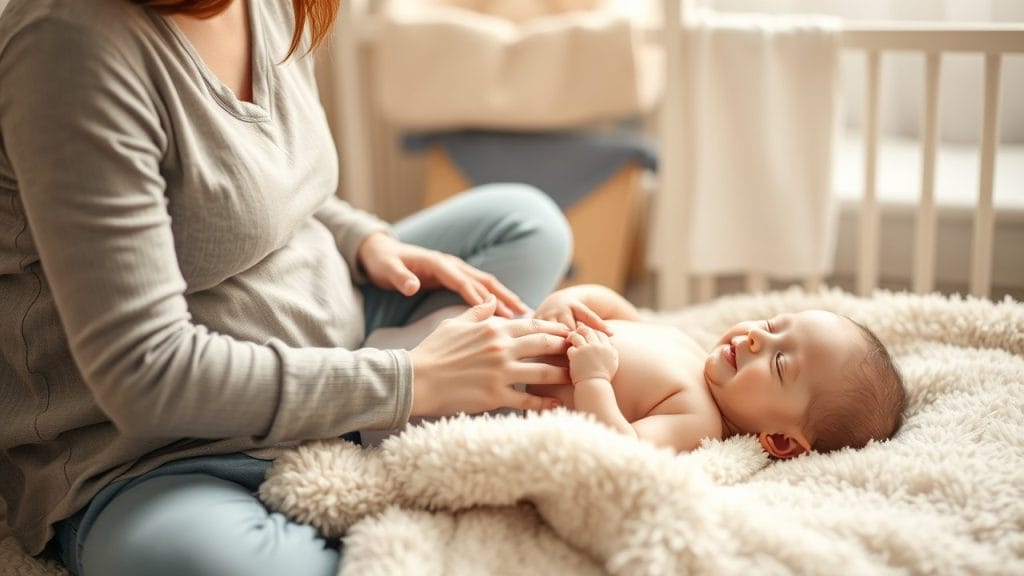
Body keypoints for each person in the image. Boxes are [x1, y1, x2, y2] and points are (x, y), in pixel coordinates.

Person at [0, 1, 575, 575]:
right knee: (207, 563)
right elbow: (145, 375)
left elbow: (277, 184)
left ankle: (362, 420)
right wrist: (410, 379)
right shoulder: (68, 42)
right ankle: (368, 428)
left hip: (336, 332)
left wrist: (366, 242)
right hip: (155, 446)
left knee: (526, 223)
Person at [529, 284, 907, 457]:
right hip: (513, 330)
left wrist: (592, 379)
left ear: (780, 440)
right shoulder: (689, 346)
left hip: (510, 389)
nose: (757, 337)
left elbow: (621, 449)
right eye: (772, 325)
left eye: (778, 362)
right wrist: (570, 299)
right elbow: (612, 307)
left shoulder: (698, 419)